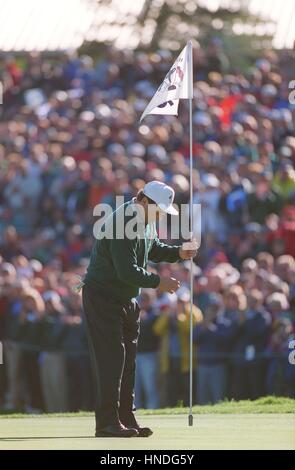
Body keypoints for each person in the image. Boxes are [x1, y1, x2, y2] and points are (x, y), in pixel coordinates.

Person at [81, 181, 197, 438]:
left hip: (126, 299)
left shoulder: (145, 218)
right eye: (159, 209)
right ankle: (107, 423)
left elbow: (152, 248)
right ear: (144, 200)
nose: (161, 215)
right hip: (103, 298)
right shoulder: (124, 221)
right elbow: (126, 271)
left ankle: (125, 416)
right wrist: (159, 282)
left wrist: (179, 252)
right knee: (112, 361)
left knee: (128, 361)